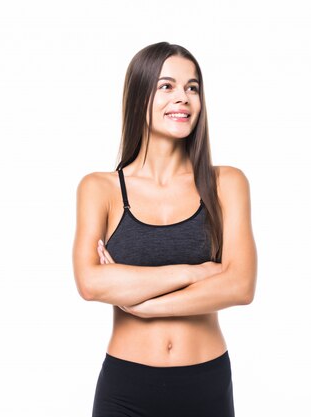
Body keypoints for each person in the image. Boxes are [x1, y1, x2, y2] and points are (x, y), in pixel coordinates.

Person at [72, 42, 258, 417]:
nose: (184, 98)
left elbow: (240, 286)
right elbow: (91, 283)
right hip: (126, 389)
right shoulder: (100, 188)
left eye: (192, 87)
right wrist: (195, 272)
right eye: (167, 86)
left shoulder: (226, 183)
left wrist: (143, 305)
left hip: (205, 385)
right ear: (140, 95)